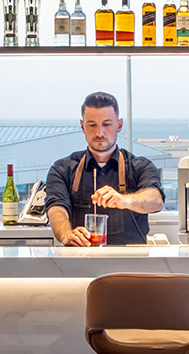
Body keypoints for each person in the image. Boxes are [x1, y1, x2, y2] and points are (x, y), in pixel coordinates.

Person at [43, 91, 166, 246]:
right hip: (79, 260)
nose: (99, 133)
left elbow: (155, 200)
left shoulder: (141, 166)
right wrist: (67, 235)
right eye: (92, 125)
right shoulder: (62, 169)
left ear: (119, 125)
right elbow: (56, 209)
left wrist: (125, 200)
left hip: (131, 263)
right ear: (82, 126)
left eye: (106, 124)